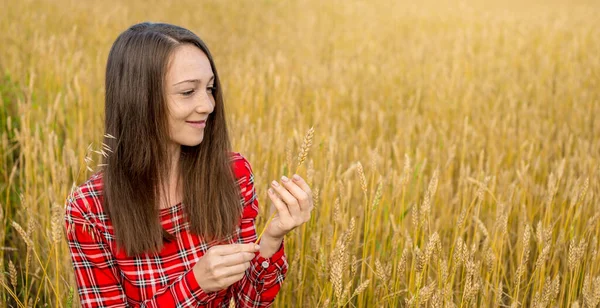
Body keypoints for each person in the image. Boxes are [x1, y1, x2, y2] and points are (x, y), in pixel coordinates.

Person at [64, 22, 314, 307]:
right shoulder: (88, 210)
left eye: (209, 89)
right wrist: (195, 284)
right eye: (187, 92)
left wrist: (272, 237)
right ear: (138, 99)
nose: (208, 105)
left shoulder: (233, 174)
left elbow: (249, 302)